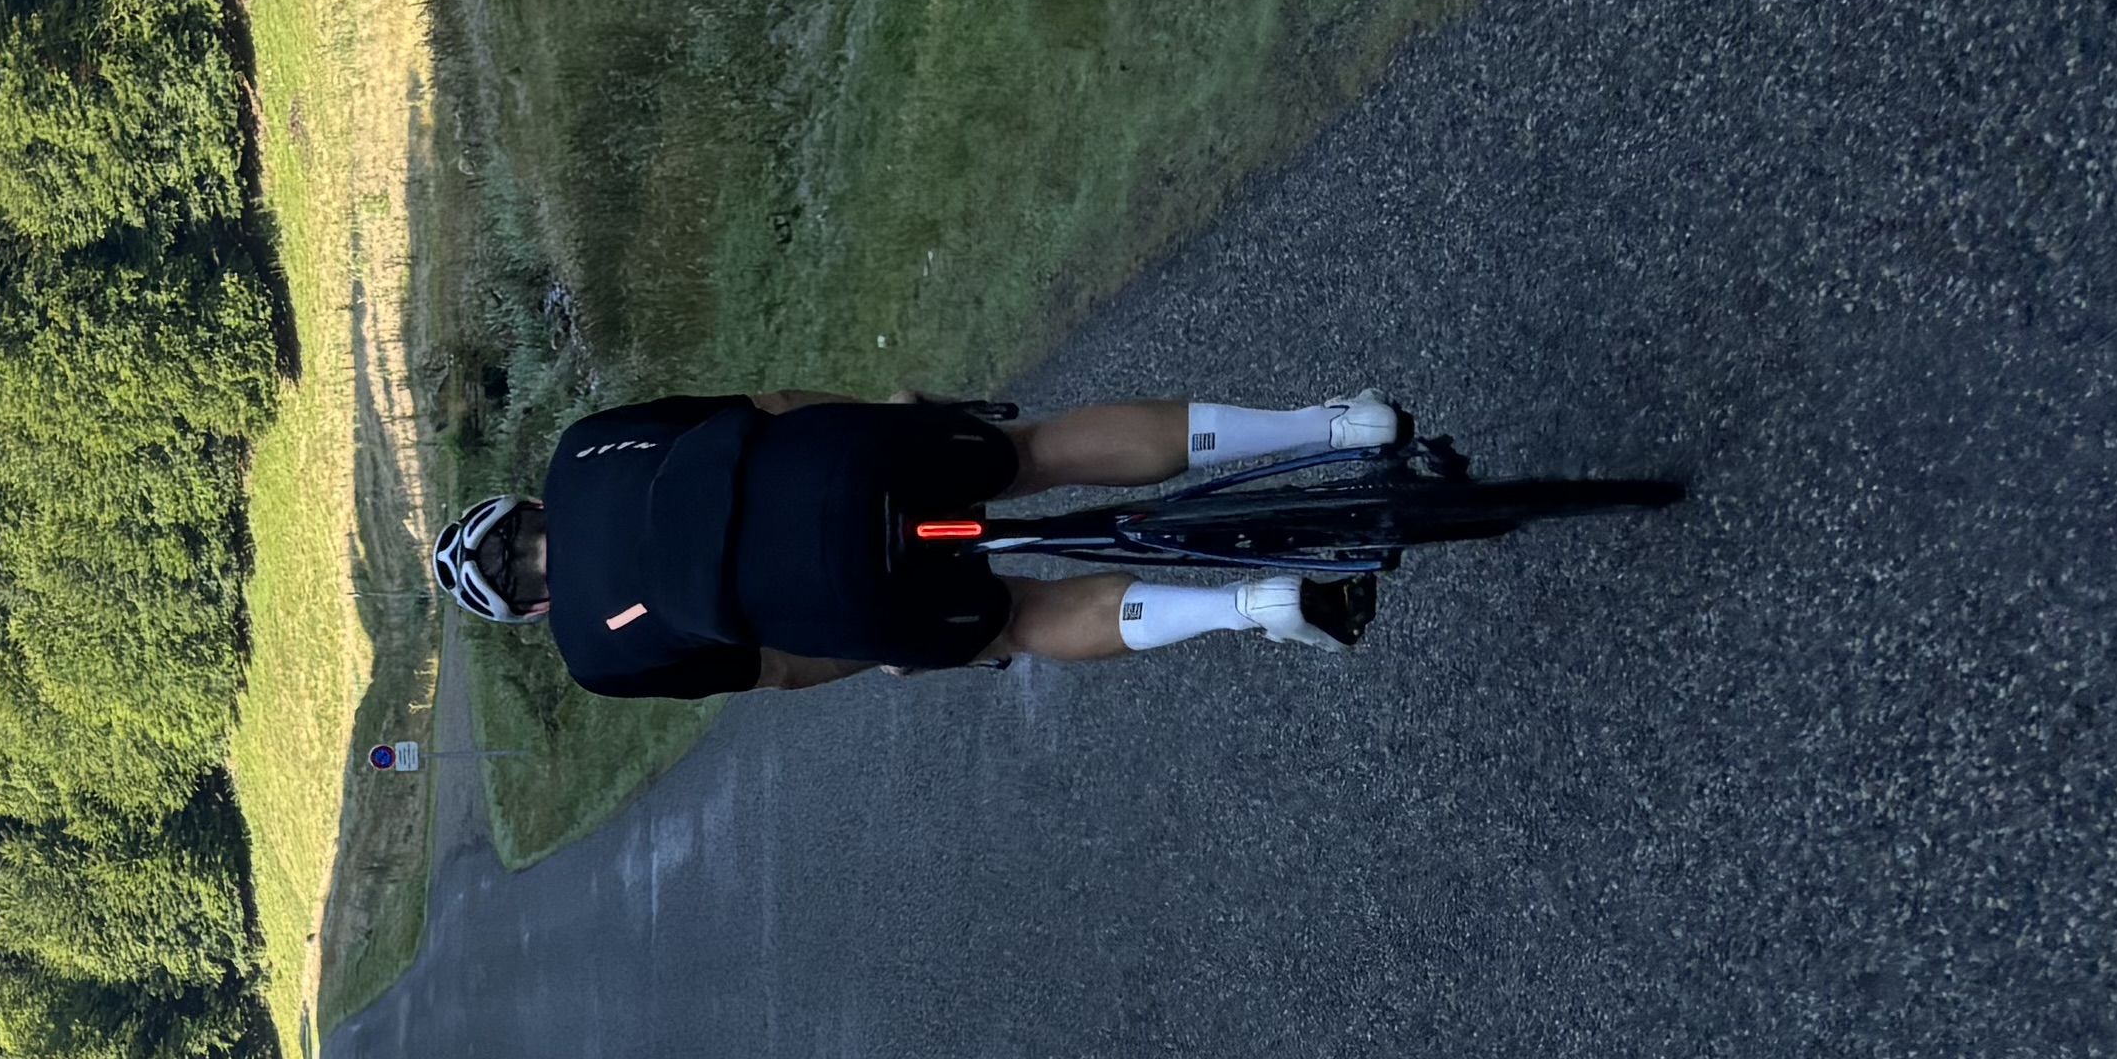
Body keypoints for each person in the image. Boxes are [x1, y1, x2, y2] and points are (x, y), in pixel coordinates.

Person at [430, 389, 1403, 691]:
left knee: (1018, 623)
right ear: (529, 508)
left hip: (849, 592)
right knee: (1034, 453)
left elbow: (771, 667)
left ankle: (1245, 606)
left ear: (533, 608)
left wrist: (881, 658)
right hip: (847, 458)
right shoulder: (587, 447)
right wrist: (894, 414)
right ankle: (1333, 428)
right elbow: (765, 407)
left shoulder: (598, 656)